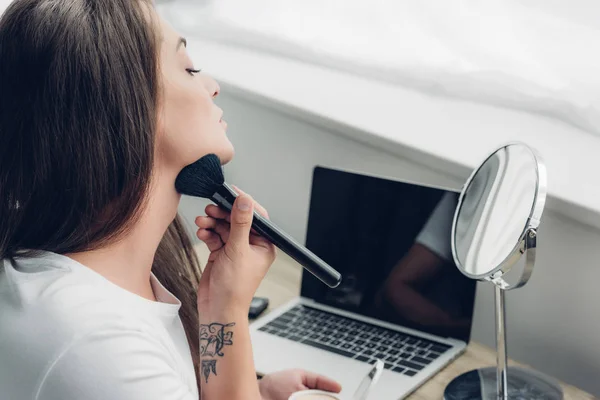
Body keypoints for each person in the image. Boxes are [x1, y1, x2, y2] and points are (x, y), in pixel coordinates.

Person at [0, 1, 341, 399]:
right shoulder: (98, 350)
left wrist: (254, 385)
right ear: (122, 104)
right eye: (189, 68)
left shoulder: (96, 285)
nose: (212, 84)